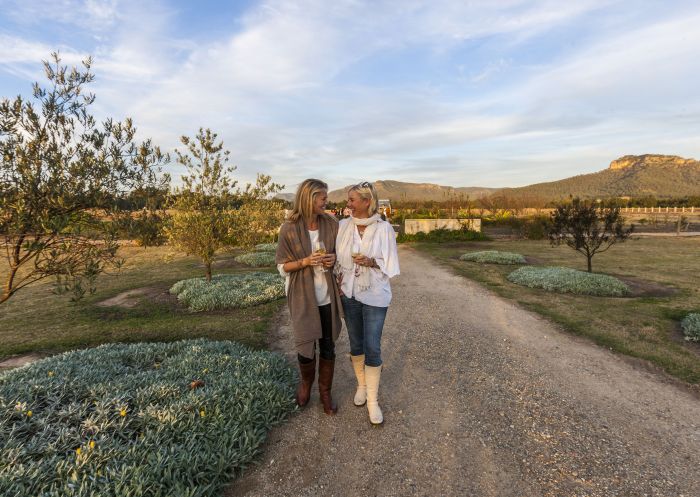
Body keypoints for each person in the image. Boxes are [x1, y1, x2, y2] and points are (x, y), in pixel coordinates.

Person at [275, 179, 343, 415]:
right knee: (306, 344)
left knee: (327, 345)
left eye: (326, 197)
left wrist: (333, 259)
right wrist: (305, 262)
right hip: (303, 297)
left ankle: (325, 392)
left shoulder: (331, 224)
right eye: (322, 197)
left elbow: (340, 256)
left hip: (326, 296)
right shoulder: (289, 229)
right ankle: (306, 385)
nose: (326, 201)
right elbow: (282, 267)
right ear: (309, 198)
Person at [335, 181, 400, 424]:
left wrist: (371, 262)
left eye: (352, 200)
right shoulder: (343, 226)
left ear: (366, 202)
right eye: (348, 199)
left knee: (372, 346)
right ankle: (361, 385)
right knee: (355, 343)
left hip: (374, 294)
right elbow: (335, 256)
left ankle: (373, 400)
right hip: (349, 292)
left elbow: (390, 263)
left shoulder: (384, 229)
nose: (348, 204)